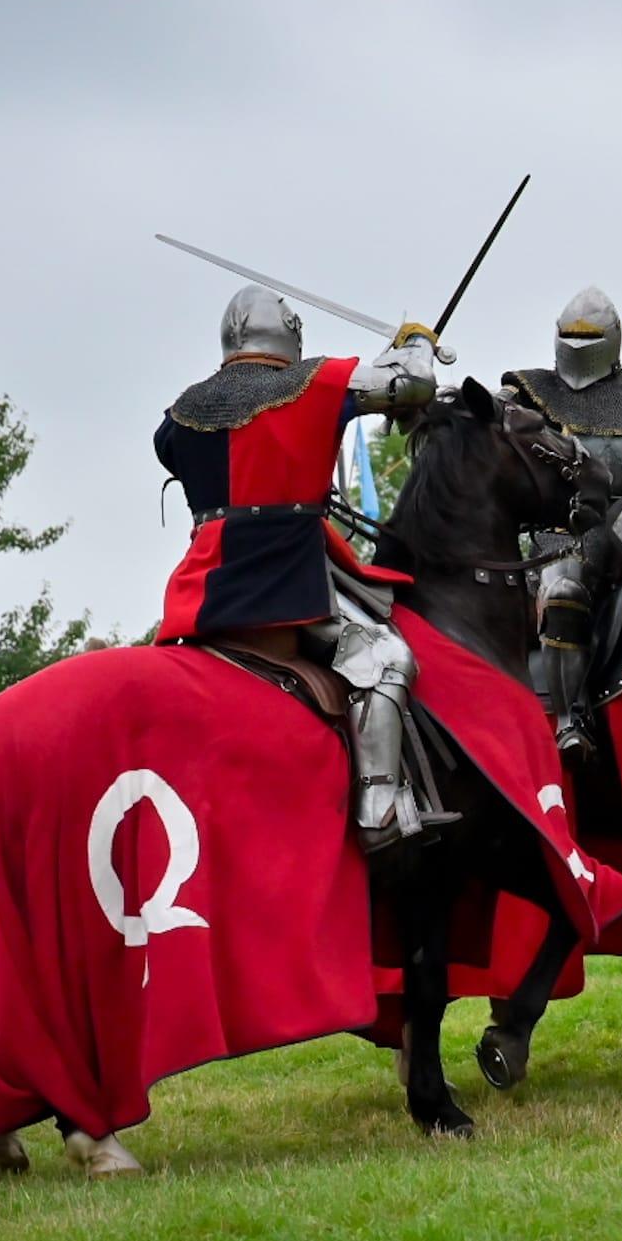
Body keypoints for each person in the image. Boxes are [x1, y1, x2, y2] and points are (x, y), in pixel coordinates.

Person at [155, 284, 453, 849]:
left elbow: (170, 449)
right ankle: (379, 811)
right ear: (290, 335)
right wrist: (414, 342)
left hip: (204, 587)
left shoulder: (183, 412)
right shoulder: (311, 385)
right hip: (283, 577)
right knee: (385, 659)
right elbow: (412, 384)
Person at [502, 287, 622, 756]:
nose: (578, 343)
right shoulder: (528, 391)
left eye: (588, 335)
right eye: (570, 334)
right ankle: (571, 717)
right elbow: (482, 424)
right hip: (557, 532)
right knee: (563, 588)